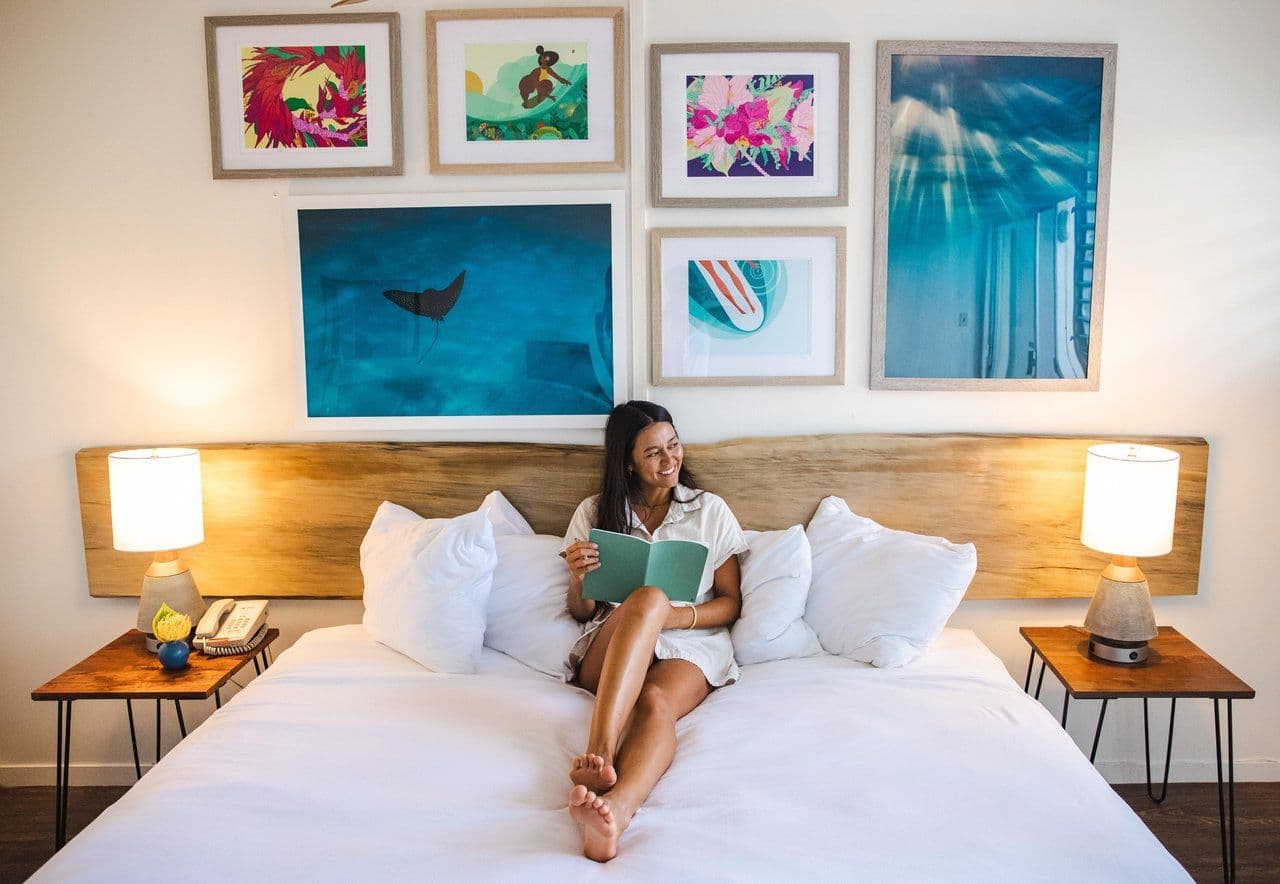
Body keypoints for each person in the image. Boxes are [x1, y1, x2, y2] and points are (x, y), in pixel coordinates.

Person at [559, 400, 748, 862]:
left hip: (688, 641)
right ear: (628, 461)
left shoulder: (710, 510)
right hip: (614, 642)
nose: (669, 461)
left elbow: (730, 603)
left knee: (655, 701)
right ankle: (600, 754)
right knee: (645, 597)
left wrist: (677, 617)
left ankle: (615, 815)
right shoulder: (595, 511)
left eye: (673, 445)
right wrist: (579, 576)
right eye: (653, 454)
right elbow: (581, 611)